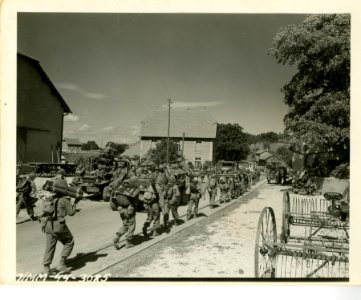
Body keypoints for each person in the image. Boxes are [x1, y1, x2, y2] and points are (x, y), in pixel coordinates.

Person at [41, 178, 81, 275]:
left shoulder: (48, 197)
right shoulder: (64, 200)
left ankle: (47, 268)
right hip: (58, 226)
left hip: (47, 225)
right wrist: (75, 203)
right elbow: (71, 213)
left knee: (49, 246)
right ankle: (62, 264)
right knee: (69, 241)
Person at [110, 176, 139, 249]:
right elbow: (136, 201)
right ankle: (128, 242)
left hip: (121, 210)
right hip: (129, 210)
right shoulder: (134, 189)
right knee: (132, 225)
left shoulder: (118, 189)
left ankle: (117, 237)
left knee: (125, 225)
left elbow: (113, 201)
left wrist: (118, 207)